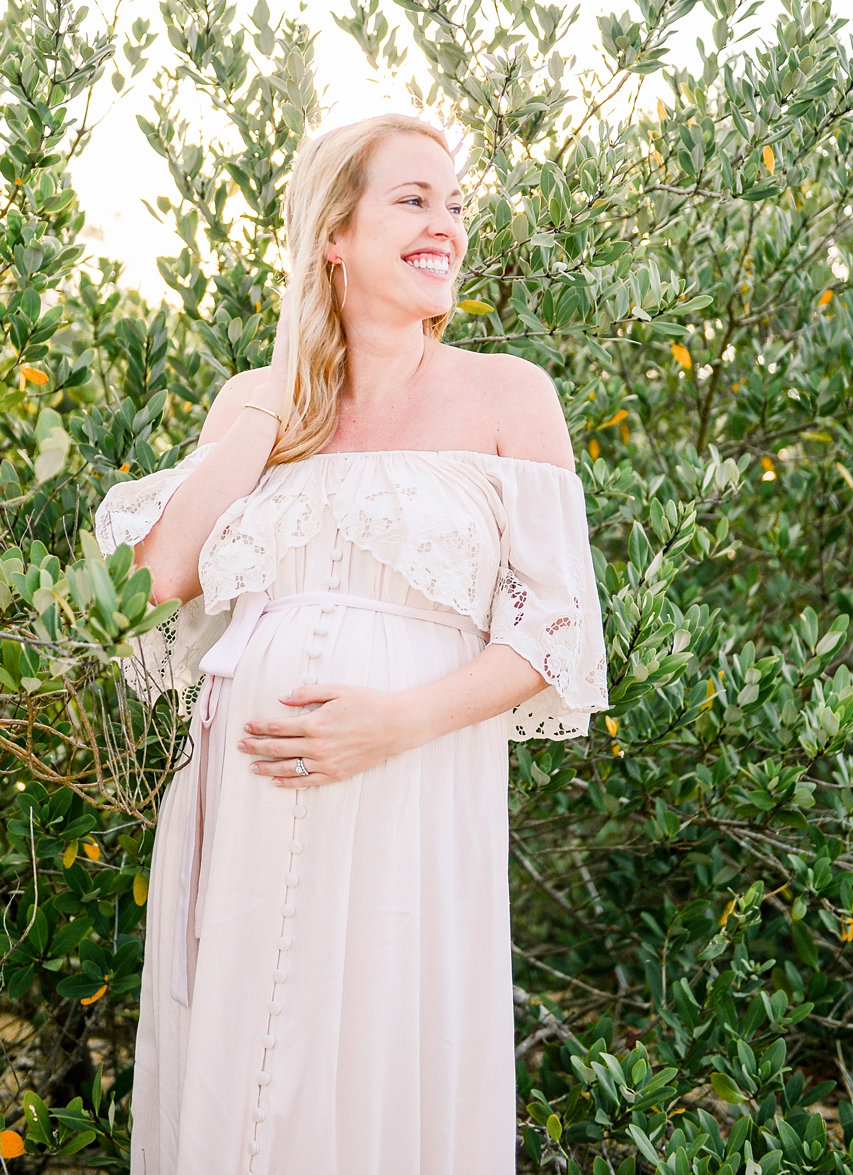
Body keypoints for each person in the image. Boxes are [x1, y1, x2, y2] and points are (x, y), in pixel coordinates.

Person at [94, 113, 608, 1175]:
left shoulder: (510, 394)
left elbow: (556, 630)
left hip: (411, 791)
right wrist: (269, 410)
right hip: (244, 798)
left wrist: (394, 722)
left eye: (456, 204)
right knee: (246, 1069)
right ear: (335, 231)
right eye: (414, 199)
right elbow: (153, 582)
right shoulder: (256, 401)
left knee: (380, 1049)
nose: (447, 225)